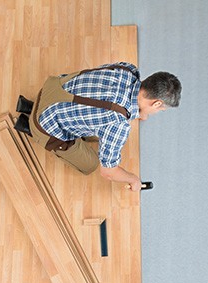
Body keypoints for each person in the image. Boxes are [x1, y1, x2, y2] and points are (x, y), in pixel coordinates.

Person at [15, 62, 181, 192]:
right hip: (45, 124)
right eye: (160, 109)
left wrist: (142, 112)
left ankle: (30, 107)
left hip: (51, 90)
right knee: (91, 164)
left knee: (97, 131)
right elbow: (108, 171)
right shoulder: (118, 124)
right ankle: (30, 128)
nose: (158, 112)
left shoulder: (128, 70)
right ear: (157, 102)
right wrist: (133, 179)